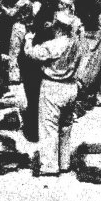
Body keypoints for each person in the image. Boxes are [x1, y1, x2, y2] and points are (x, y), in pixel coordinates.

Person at [23, 11, 80, 176]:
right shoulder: (76, 43)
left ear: (59, 27)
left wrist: (28, 39)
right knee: (66, 126)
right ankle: (64, 162)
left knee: (49, 127)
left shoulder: (54, 45)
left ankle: (49, 166)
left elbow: (31, 53)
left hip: (53, 86)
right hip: (70, 85)